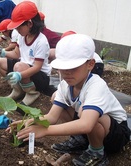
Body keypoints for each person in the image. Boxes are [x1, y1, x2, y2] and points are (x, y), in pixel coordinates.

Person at [8, 34, 131, 166]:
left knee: (86, 112)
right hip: (93, 129)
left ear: (90, 64)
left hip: (116, 135)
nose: (67, 73)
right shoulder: (65, 85)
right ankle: (82, 140)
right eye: (63, 68)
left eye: (73, 68)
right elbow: (52, 117)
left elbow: (86, 124)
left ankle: (97, 152)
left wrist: (45, 131)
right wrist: (29, 122)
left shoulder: (96, 85)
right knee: (58, 102)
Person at [0, 1, 54, 110]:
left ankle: (31, 92)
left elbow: (37, 67)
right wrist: (2, 53)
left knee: (19, 66)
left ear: (30, 24)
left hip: (40, 77)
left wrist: (19, 75)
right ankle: (18, 89)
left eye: (19, 27)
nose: (16, 30)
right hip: (24, 68)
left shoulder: (41, 41)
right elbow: (16, 54)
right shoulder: (22, 36)